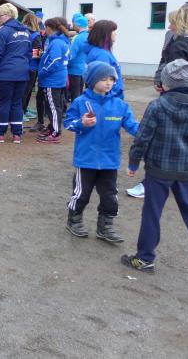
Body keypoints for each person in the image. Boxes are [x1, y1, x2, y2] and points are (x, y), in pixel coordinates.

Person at [122, 59, 188, 283]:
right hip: (186, 170)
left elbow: (142, 138)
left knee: (152, 213)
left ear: (165, 83)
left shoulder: (157, 106)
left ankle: (145, 258)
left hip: (159, 170)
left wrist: (133, 163)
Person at [128, 8, 188, 198]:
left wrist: (162, 83)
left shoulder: (179, 44)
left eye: (172, 23)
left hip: (176, 94)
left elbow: (173, 72)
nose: (169, 26)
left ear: (181, 24)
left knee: (163, 139)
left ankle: (151, 184)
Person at [64, 61, 139, 242]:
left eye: (112, 79)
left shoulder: (120, 105)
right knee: (81, 194)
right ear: (92, 80)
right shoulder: (80, 102)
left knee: (110, 196)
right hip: (86, 159)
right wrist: (81, 123)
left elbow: (134, 127)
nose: (108, 83)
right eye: (104, 79)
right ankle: (74, 220)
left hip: (109, 160)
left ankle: (105, 227)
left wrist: (150, 132)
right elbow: (68, 123)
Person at [0, 3, 31, 144]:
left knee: (4, 102)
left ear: (8, 15)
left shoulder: (3, 31)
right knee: (17, 102)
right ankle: (17, 134)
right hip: (22, 72)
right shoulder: (26, 31)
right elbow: (29, 53)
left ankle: (0, 134)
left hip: (5, 72)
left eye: (0, 15)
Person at [37, 17, 71, 144]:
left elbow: (55, 61)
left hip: (52, 80)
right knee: (54, 106)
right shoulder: (63, 41)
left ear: (49, 28)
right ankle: (52, 128)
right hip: (58, 78)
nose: (44, 30)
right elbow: (69, 57)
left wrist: (42, 72)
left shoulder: (56, 42)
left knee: (53, 107)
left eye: (45, 27)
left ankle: (56, 132)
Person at [82, 20, 125, 99]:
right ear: (105, 34)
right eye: (113, 31)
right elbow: (102, 81)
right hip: (109, 97)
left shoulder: (103, 51)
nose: (116, 33)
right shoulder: (101, 54)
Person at [21, 13, 43, 126]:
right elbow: (37, 53)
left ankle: (23, 110)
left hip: (21, 65)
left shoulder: (21, 32)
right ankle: (21, 112)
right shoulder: (35, 35)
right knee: (27, 91)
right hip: (32, 66)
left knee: (23, 91)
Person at [68, 14, 90, 100]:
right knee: (80, 93)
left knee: (74, 95)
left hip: (74, 70)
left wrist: (66, 64)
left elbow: (71, 55)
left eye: (74, 24)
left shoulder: (78, 38)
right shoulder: (89, 36)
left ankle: (75, 108)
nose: (72, 25)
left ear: (78, 25)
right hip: (84, 69)